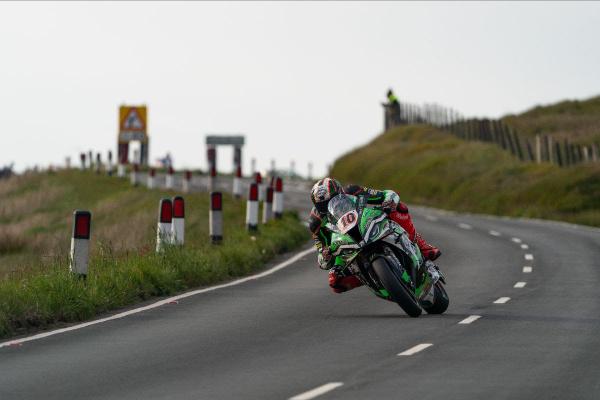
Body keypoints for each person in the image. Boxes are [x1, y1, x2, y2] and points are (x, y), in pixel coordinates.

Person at [308, 178, 441, 294]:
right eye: (322, 206)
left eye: (334, 199)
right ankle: (374, 279)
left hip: (366, 222)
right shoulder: (316, 222)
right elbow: (322, 256)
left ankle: (422, 246)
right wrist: (325, 255)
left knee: (399, 208)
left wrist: (389, 201)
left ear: (341, 192)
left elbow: (387, 194)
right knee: (335, 282)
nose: (329, 206)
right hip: (342, 242)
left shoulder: (353, 190)